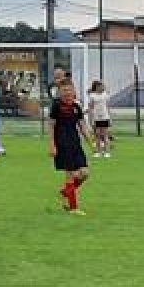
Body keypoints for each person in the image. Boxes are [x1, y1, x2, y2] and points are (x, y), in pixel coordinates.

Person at [49, 74, 90, 213]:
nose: (67, 93)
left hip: (75, 144)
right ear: (60, 92)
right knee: (70, 174)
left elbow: (82, 126)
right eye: (64, 90)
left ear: (73, 91)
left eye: (69, 90)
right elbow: (51, 126)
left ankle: (66, 192)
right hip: (62, 144)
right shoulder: (56, 106)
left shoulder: (77, 107)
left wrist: (91, 141)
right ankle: (73, 207)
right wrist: (52, 145)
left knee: (84, 173)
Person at [86, 80, 113, 158]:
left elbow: (107, 107)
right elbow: (91, 108)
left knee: (105, 135)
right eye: (100, 86)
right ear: (97, 87)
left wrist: (110, 118)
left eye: (102, 86)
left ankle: (107, 152)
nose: (102, 87)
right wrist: (91, 119)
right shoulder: (92, 96)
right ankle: (98, 152)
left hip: (105, 117)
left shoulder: (105, 95)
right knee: (97, 135)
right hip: (96, 118)